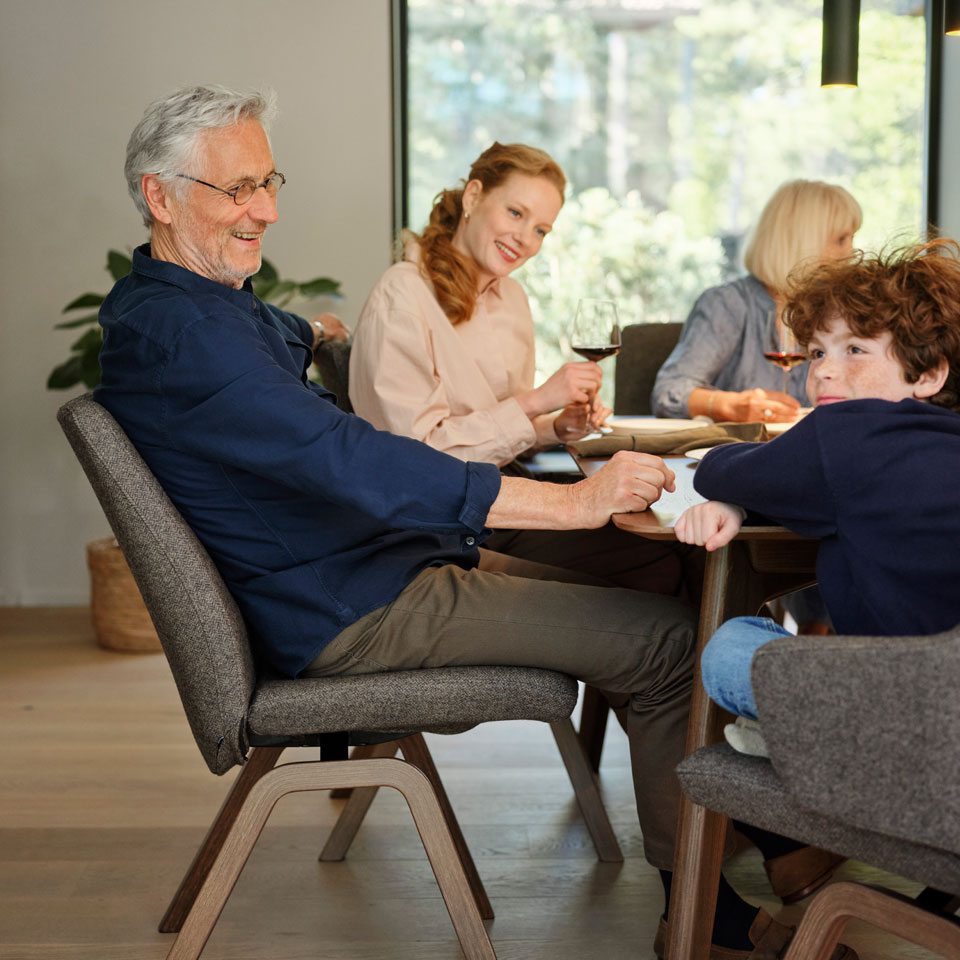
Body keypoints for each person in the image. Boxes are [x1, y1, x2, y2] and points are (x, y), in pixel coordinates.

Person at [91, 83, 821, 960]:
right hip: (355, 606)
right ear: (160, 195)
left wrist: (316, 330)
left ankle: (744, 843)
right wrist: (575, 501)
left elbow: (282, 343)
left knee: (666, 600)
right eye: (238, 189)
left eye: (269, 183)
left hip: (375, 569)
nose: (268, 211)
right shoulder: (189, 339)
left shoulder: (185, 306)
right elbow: (357, 460)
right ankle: (707, 921)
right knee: (671, 644)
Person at [348, 144, 690, 598]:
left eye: (541, 230)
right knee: (659, 563)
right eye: (515, 213)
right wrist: (536, 401)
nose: (525, 238)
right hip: (440, 525)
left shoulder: (511, 298)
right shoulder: (402, 296)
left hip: (503, 496)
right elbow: (418, 462)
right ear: (473, 197)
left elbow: (495, 434)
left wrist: (556, 427)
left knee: (677, 544)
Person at [674, 240, 960, 742]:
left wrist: (737, 499)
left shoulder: (846, 433)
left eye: (855, 350)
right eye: (817, 352)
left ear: (929, 373)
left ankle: (815, 743)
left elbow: (717, 470)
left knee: (731, 646)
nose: (823, 369)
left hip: (908, 704)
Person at [652, 179, 862, 425]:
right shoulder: (728, 304)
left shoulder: (838, 311)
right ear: (799, 242)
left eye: (852, 239)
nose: (851, 254)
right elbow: (669, 392)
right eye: (841, 240)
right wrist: (730, 406)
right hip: (743, 446)